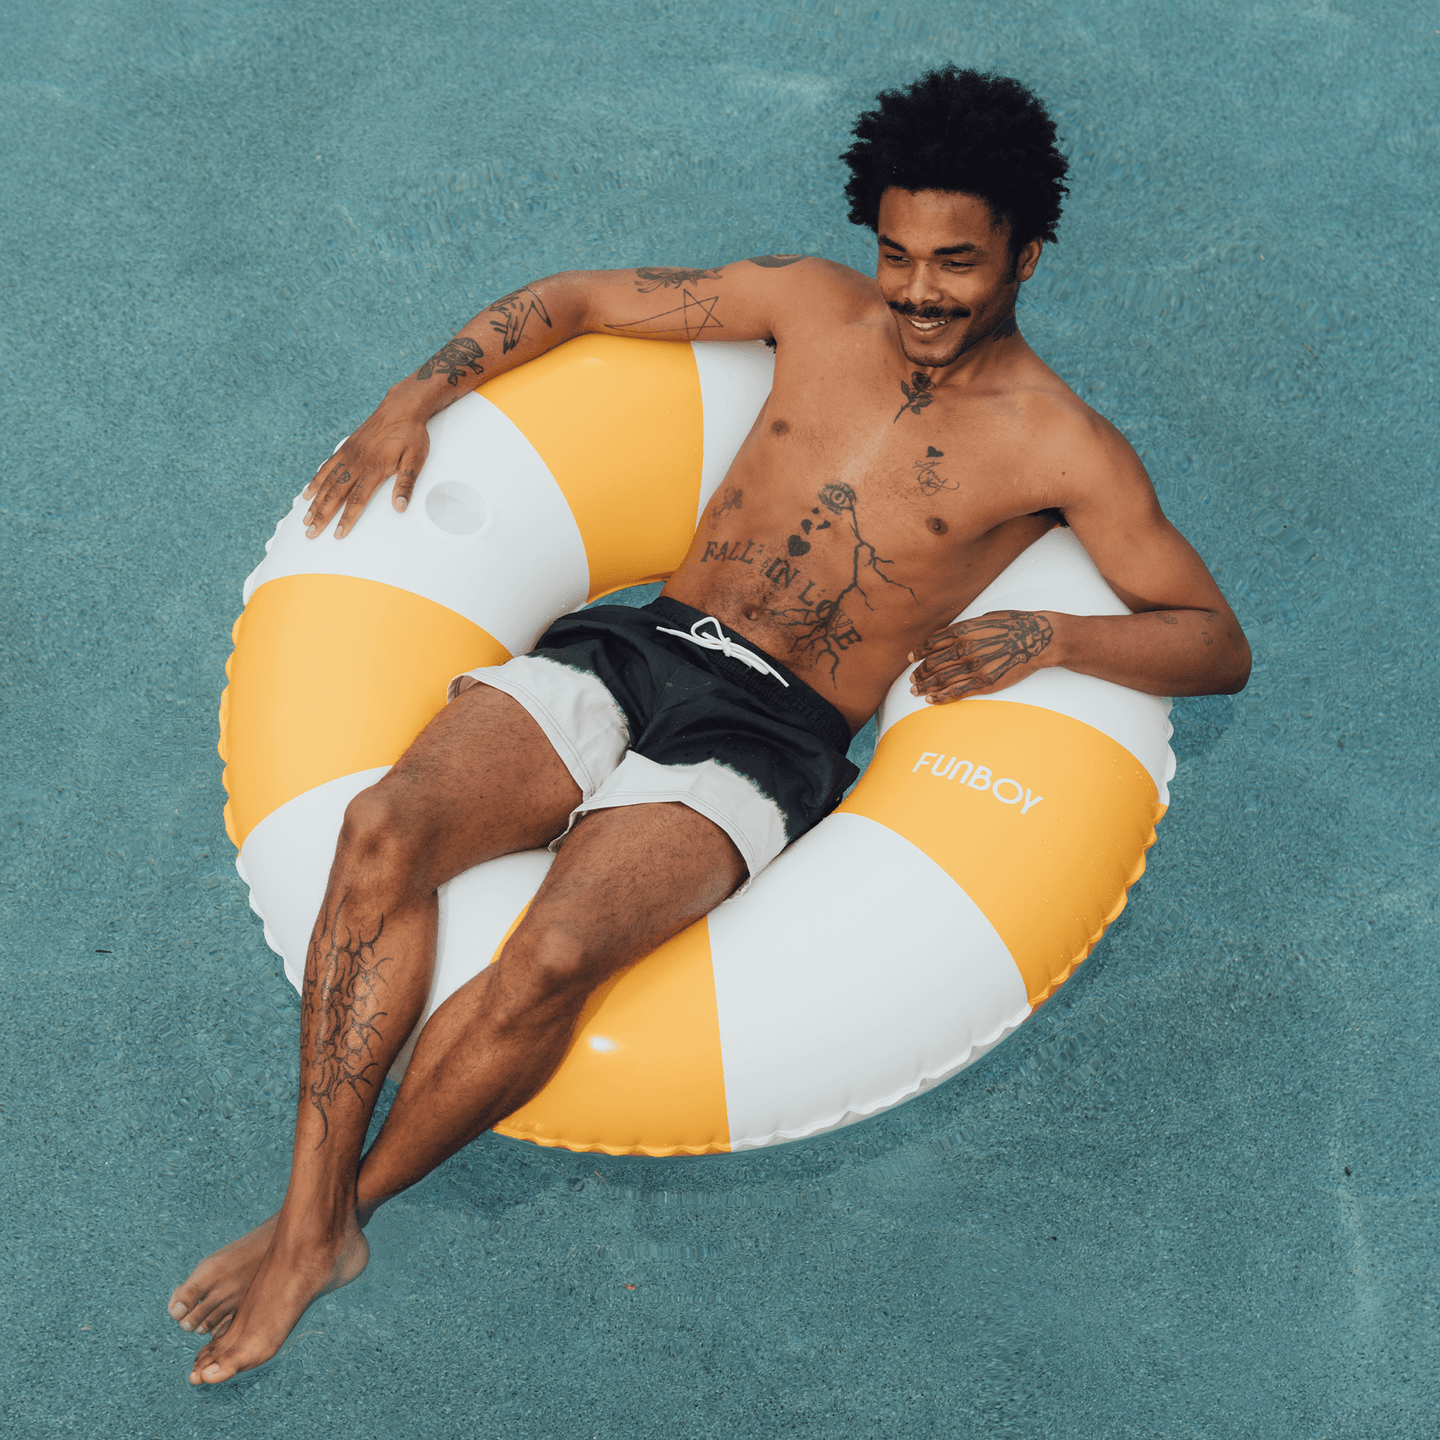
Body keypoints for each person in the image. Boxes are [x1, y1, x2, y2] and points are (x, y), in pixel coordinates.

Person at [169, 65, 1250, 1384]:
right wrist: (415, 395)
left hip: (769, 733)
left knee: (559, 946)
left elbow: (1215, 643)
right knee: (384, 829)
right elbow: (575, 301)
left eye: (957, 264)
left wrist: (1055, 637)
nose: (917, 293)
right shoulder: (810, 306)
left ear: (1028, 252)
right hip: (636, 649)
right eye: (899, 254)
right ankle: (310, 1221)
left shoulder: (1063, 448)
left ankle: (321, 1230)